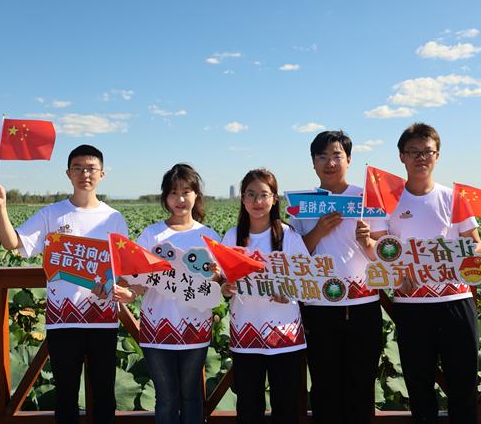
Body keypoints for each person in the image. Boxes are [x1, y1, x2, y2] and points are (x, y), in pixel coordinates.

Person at [0, 144, 129, 424]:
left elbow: (121, 269)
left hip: (103, 320)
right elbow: (13, 243)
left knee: (104, 396)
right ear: (68, 173)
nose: (84, 174)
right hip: (62, 321)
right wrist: (0, 207)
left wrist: (114, 287)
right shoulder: (51, 214)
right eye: (77, 168)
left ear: (102, 174)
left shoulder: (114, 218)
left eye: (91, 168)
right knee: (65, 396)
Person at [357, 123, 481, 424]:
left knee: (463, 385)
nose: (420, 158)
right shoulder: (388, 200)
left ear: (437, 155)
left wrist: (456, 256)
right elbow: (378, 247)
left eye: (427, 151)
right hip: (411, 305)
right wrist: (368, 244)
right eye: (413, 152)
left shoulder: (455, 197)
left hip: (456, 301)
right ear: (402, 157)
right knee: (418, 387)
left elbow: (476, 244)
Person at [290, 130, 386, 424]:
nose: (330, 162)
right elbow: (294, 259)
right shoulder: (302, 205)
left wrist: (368, 242)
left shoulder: (367, 197)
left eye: (336, 156)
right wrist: (318, 231)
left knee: (361, 386)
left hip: (364, 306)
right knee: (324, 388)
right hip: (319, 310)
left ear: (349, 159)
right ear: (313, 162)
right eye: (322, 156)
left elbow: (384, 255)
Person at [133, 163, 220, 424]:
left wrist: (215, 275)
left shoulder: (208, 236)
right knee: (166, 398)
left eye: (186, 191)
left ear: (196, 195)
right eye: (173, 192)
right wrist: (128, 291)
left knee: (192, 396)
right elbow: (137, 278)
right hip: (157, 328)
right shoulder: (151, 235)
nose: (180, 199)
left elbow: (220, 281)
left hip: (196, 327)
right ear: (165, 198)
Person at [220, 168, 308, 424]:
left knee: (286, 406)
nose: (257, 202)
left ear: (274, 199)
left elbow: (307, 282)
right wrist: (226, 288)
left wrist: (289, 293)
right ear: (242, 199)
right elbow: (223, 283)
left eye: (264, 195)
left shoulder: (289, 236)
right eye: (251, 195)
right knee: (248, 406)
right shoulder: (231, 237)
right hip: (246, 334)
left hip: (285, 334)